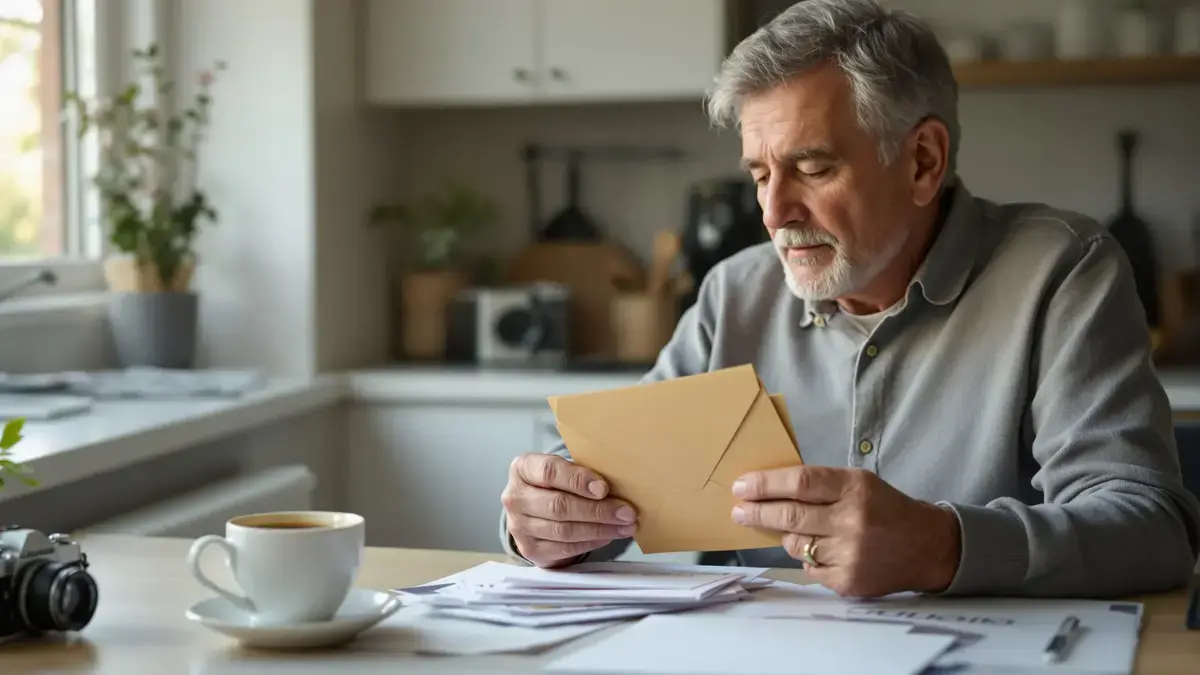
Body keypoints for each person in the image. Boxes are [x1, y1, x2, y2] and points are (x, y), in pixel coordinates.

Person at [498, 0, 1200, 599]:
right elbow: (609, 482)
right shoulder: (734, 292)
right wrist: (548, 521)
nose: (773, 212)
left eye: (812, 167)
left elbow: (1152, 528)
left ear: (923, 160)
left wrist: (943, 545)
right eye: (759, 173)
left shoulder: (1062, 271)